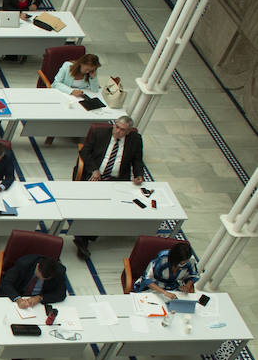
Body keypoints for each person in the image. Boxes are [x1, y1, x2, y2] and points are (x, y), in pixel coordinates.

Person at [73, 116, 146, 259]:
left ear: (129, 131)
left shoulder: (135, 140)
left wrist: (138, 174)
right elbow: (84, 151)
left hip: (117, 179)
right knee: (93, 204)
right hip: (96, 175)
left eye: (122, 129)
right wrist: (94, 169)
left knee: (109, 208)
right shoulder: (100, 134)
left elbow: (138, 160)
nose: (117, 131)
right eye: (116, 126)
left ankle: (84, 237)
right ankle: (84, 238)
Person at [0, 254, 66, 307]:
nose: (41, 279)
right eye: (39, 276)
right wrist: (18, 299)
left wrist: (40, 298)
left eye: (45, 279)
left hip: (37, 304)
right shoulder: (24, 264)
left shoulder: (59, 271)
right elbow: (5, 282)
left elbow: (61, 294)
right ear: (37, 265)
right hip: (17, 294)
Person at [132, 242, 199, 297]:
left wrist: (187, 285)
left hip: (175, 287)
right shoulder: (162, 258)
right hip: (155, 287)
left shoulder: (190, 260)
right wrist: (165, 293)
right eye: (181, 263)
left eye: (185, 262)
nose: (183, 265)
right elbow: (147, 279)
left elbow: (193, 275)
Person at [52, 53, 119, 100]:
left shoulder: (92, 72)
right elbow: (55, 84)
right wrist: (71, 91)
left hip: (79, 98)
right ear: (81, 63)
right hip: (64, 94)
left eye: (90, 70)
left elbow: (95, 90)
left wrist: (93, 78)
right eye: (86, 69)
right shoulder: (67, 66)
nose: (87, 72)